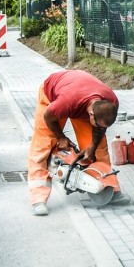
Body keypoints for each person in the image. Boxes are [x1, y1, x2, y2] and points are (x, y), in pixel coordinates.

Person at [27, 70, 121, 216]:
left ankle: (110, 189)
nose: (101, 128)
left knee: (99, 149)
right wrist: (61, 137)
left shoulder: (111, 102)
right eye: (98, 124)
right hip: (53, 98)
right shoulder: (67, 102)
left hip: (81, 99)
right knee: (42, 146)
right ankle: (38, 199)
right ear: (91, 114)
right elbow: (48, 116)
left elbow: (101, 127)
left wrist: (92, 146)